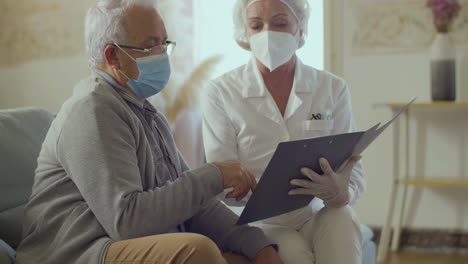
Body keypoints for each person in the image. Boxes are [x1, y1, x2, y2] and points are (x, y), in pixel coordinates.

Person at [15, 1, 283, 264]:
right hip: (79, 252)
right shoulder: (93, 110)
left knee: (250, 255)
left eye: (164, 43)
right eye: (150, 45)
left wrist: (255, 242)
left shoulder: (143, 111)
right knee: (196, 250)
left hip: (122, 243)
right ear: (113, 56)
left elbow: (194, 204)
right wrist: (214, 175)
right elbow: (128, 222)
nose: (162, 54)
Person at [202, 0, 366, 263]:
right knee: (293, 253)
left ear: (299, 30)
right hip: (261, 221)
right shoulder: (221, 92)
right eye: (256, 25)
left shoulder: (332, 88)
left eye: (280, 23)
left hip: (317, 212)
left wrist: (343, 192)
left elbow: (353, 167)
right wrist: (249, 190)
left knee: (342, 218)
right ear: (245, 33)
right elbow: (219, 179)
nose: (268, 33)